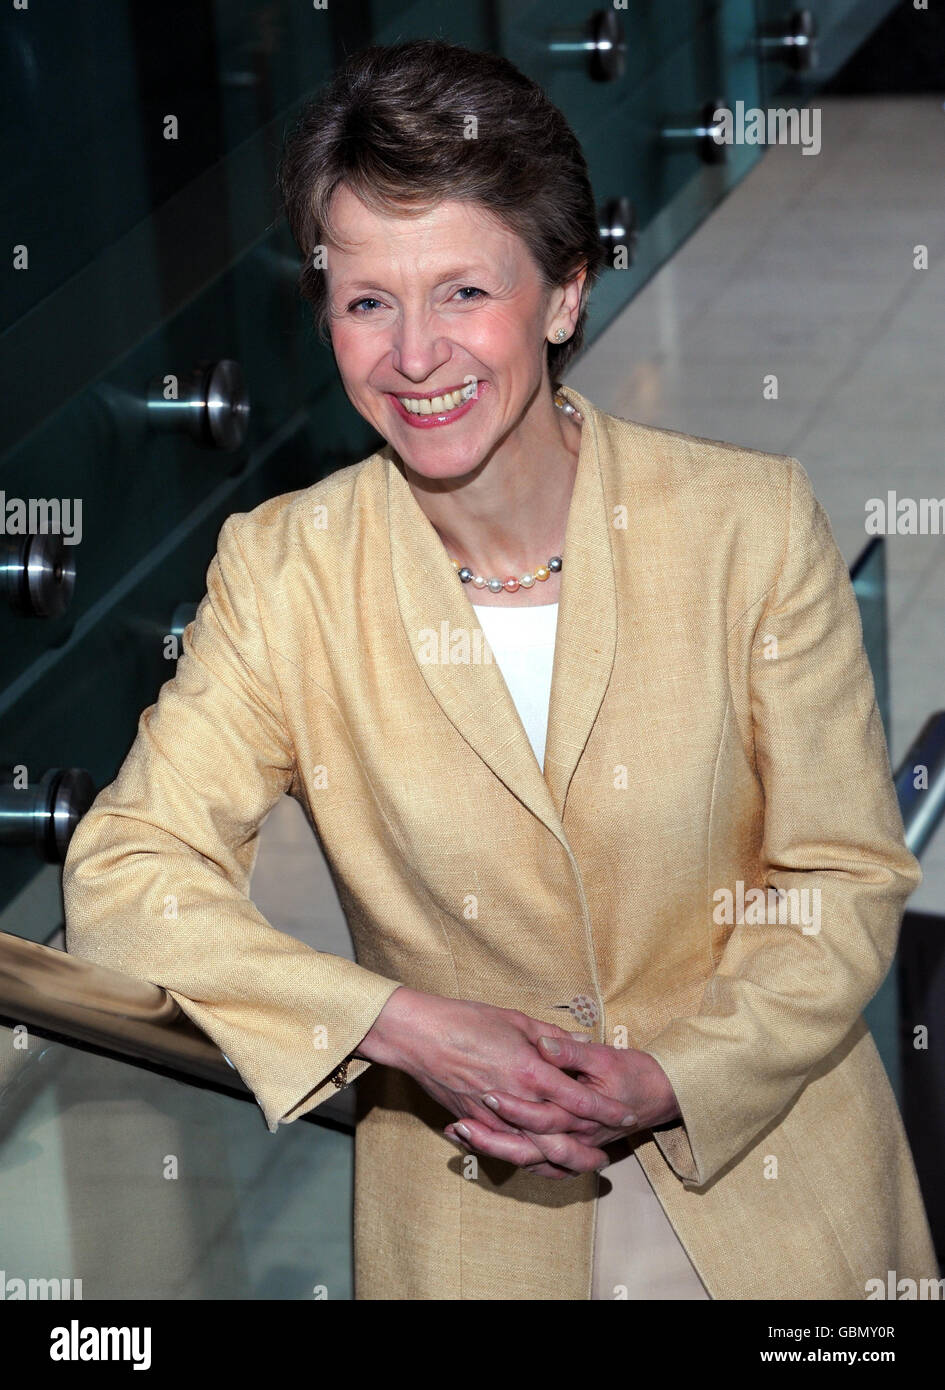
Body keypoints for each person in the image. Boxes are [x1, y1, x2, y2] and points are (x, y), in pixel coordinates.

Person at [63, 38, 938, 1301]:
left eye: (463, 292)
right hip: (472, 1241)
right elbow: (124, 875)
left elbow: (844, 872)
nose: (416, 355)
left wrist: (673, 1073)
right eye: (368, 301)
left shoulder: (746, 524)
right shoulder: (288, 570)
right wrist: (398, 1025)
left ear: (566, 293)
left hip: (777, 1210)